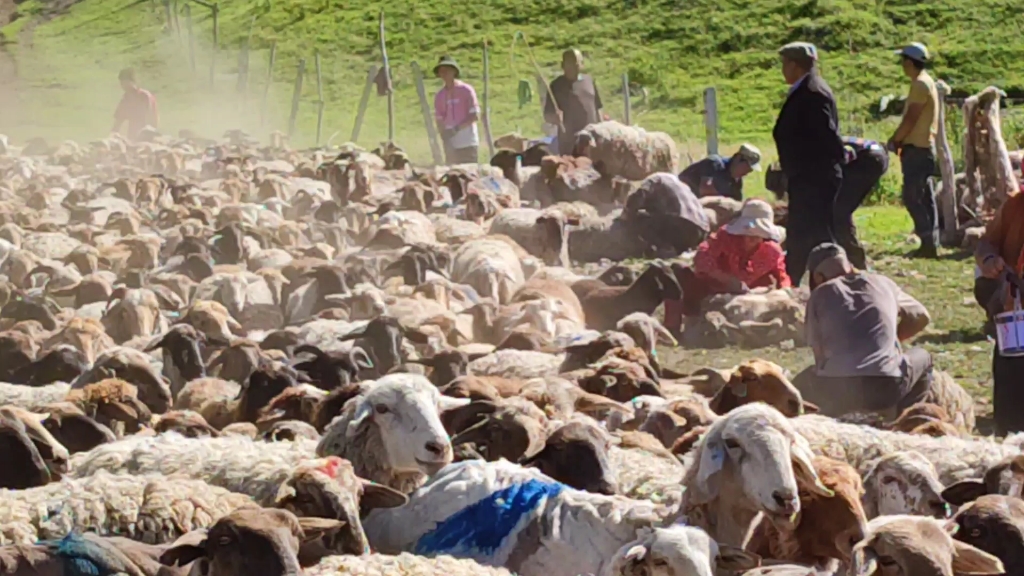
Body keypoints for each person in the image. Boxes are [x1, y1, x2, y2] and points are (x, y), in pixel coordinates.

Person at [794, 243, 933, 419]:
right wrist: (892, 341)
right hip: (886, 386)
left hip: (838, 389)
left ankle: (820, 421)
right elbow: (921, 316)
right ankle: (905, 420)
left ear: (818, 276)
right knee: (924, 357)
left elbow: (819, 355)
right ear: (850, 266)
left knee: (799, 384)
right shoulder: (883, 283)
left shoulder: (819, 294)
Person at [772, 42, 845, 286]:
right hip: (807, 176)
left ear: (794, 65)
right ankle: (798, 280)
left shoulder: (813, 93)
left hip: (814, 178)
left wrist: (811, 169)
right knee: (805, 233)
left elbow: (827, 137)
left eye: (784, 64)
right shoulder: (805, 89)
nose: (782, 69)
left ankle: (829, 281)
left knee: (815, 234)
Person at [663, 199, 790, 335]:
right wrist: (726, 279)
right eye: (747, 234)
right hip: (712, 291)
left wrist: (785, 292)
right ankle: (673, 328)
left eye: (757, 236)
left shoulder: (772, 252)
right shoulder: (725, 237)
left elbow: (782, 275)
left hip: (748, 301)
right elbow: (702, 258)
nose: (750, 239)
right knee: (678, 271)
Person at [765, 136, 888, 269]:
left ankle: (857, 262)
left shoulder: (809, 165)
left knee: (838, 213)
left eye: (783, 189)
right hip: (870, 154)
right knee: (834, 211)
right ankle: (846, 255)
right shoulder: (802, 160)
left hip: (867, 158)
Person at [973, 192, 1024, 434]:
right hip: (1013, 305)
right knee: (1010, 369)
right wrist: (990, 258)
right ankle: (1009, 434)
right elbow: (987, 242)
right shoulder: (1016, 205)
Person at [887, 43, 940, 259]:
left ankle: (927, 242)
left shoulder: (920, 85)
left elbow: (911, 118)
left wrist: (895, 139)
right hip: (924, 146)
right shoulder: (926, 82)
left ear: (909, 62)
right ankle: (932, 241)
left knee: (912, 197)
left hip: (917, 148)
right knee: (925, 196)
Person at [622, 172, 709, 258]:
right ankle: (679, 249)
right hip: (701, 230)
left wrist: (626, 214)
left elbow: (639, 195)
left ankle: (663, 248)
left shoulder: (655, 178)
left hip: (681, 225)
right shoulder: (679, 182)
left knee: (639, 218)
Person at [544, 49, 604, 155]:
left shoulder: (589, 81)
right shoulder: (557, 86)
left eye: (578, 63)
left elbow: (598, 107)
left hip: (591, 141)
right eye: (571, 64)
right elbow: (547, 115)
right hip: (569, 144)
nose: (575, 66)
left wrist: (602, 130)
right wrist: (555, 118)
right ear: (563, 65)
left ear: (582, 64)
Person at [433, 56, 480, 165]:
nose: (444, 74)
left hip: (467, 140)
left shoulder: (466, 90)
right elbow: (439, 119)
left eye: (447, 70)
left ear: (454, 71)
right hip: (451, 143)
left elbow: (475, 115)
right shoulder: (440, 95)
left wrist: (457, 128)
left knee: (470, 173)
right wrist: (444, 136)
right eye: (441, 71)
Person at [677, 144, 762, 201]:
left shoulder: (736, 182)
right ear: (738, 159)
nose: (749, 171)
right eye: (748, 166)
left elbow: (737, 203)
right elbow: (706, 191)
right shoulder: (714, 164)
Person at [112, 68, 159, 141]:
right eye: (122, 84)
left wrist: (149, 135)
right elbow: (118, 122)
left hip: (149, 136)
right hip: (132, 137)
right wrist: (113, 135)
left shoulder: (145, 96)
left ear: (133, 82)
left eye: (125, 83)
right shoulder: (125, 100)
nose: (123, 86)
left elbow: (151, 118)